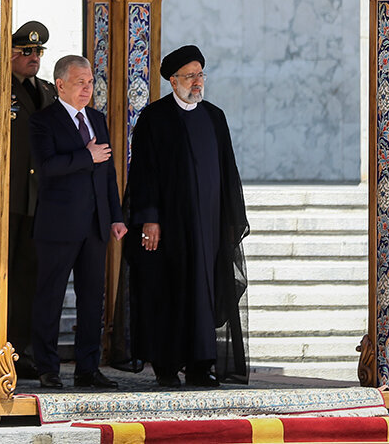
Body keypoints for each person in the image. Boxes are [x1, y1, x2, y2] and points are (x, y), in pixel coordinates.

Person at [124, 45, 249, 388]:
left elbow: (227, 171)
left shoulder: (214, 116)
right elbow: (144, 173)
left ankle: (201, 364)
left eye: (200, 75)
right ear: (172, 80)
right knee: (168, 292)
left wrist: (229, 219)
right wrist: (150, 218)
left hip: (207, 227)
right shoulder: (155, 117)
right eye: (190, 76)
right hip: (169, 229)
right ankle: (166, 365)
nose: (197, 82)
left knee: (204, 294)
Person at [30, 54, 127, 390]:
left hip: (96, 225)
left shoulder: (97, 120)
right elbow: (46, 168)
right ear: (60, 85)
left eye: (90, 82)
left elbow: (108, 173)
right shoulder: (43, 121)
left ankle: (88, 368)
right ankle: (47, 367)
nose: (87, 88)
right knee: (50, 298)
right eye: (80, 82)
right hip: (58, 226)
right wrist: (85, 155)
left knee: (92, 300)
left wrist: (116, 215)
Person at [6, 20, 57, 379]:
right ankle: (0, 347)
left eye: (38, 52)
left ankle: (21, 349)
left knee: (30, 278)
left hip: (40, 202)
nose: (33, 58)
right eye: (26, 52)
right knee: (6, 277)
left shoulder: (49, 92)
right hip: (8, 199)